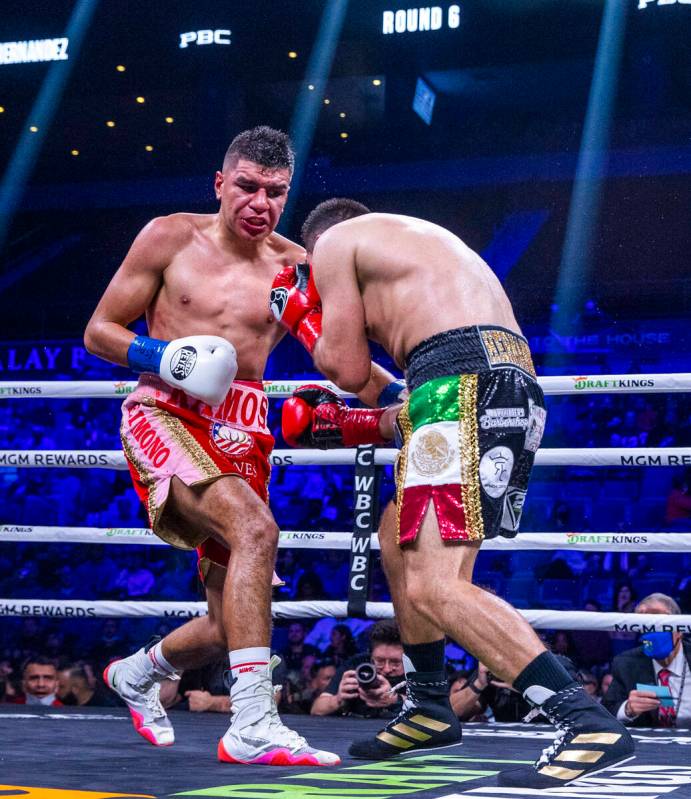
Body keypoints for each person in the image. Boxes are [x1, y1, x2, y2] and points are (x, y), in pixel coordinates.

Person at [277, 200, 634, 789]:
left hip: (459, 389)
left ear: (316, 250)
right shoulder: (410, 253)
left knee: (437, 585)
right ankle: (428, 706)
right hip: (489, 384)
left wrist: (304, 321)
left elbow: (342, 367)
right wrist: (360, 424)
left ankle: (584, 719)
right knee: (397, 535)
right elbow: (395, 396)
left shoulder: (335, 246)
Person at [84, 127, 401, 766]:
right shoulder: (170, 237)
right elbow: (99, 331)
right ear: (221, 183)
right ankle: (254, 722)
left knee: (232, 623)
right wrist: (163, 355)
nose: (260, 202)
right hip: (165, 413)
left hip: (245, 434)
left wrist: (416, 399)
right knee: (256, 528)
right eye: (249, 187)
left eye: (276, 192)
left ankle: (139, 674)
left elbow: (344, 364)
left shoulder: (295, 268)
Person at [603, 593, 691, 728]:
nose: (652, 632)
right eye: (645, 625)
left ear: (679, 630)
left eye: (658, 622)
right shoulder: (627, 663)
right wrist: (628, 709)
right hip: (651, 745)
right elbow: (606, 712)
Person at [311, 619, 406, 718]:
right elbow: (316, 709)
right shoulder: (356, 666)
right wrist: (338, 699)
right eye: (380, 661)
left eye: (395, 662)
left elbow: (423, 706)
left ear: (407, 658)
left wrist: (396, 700)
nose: (387, 669)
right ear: (371, 656)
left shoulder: (416, 668)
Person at [57, 664, 122, 707]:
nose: (56, 691)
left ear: (75, 688)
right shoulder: (64, 706)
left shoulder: (106, 708)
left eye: (61, 687)